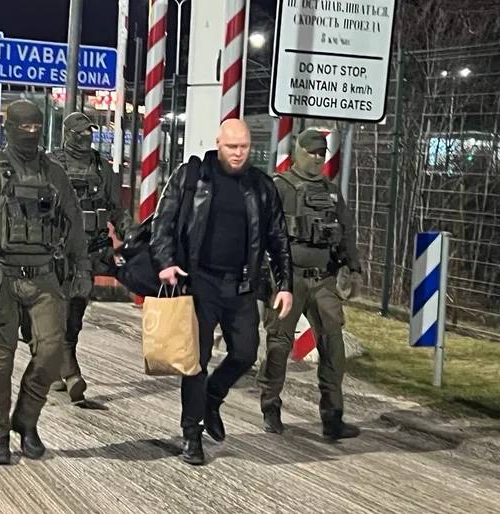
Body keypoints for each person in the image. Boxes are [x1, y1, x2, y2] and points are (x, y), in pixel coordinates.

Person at [0, 100, 92, 465]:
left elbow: (73, 222)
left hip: (44, 276)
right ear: (8, 128)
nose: (31, 133)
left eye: (36, 128)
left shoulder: (54, 174)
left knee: (51, 353)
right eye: (24, 127)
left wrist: (82, 269)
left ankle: (26, 421)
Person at [150, 119, 293, 466]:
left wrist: (285, 285)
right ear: (218, 144)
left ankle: (213, 397)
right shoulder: (192, 176)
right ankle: (192, 433)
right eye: (232, 147)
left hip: (241, 285)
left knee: (245, 352)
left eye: (244, 146)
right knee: (195, 362)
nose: (238, 153)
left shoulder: (261, 186)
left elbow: (278, 238)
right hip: (198, 282)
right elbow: (162, 222)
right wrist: (166, 262)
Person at [257, 128, 363, 440]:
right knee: (279, 344)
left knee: (333, 345)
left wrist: (354, 268)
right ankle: (270, 406)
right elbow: (259, 232)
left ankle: (333, 416)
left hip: (323, 278)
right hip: (287, 279)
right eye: (312, 152)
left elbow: (346, 231)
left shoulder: (331, 192)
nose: (317, 158)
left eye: (321, 153)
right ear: (299, 151)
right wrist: (262, 275)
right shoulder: (279, 187)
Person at [22, 112, 133, 403]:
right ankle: (66, 369)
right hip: (55, 251)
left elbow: (116, 209)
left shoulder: (101, 167)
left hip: (89, 251)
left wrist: (130, 232)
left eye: (89, 133)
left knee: (75, 311)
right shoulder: (48, 165)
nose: (86, 137)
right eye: (81, 133)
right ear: (69, 133)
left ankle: (62, 360)